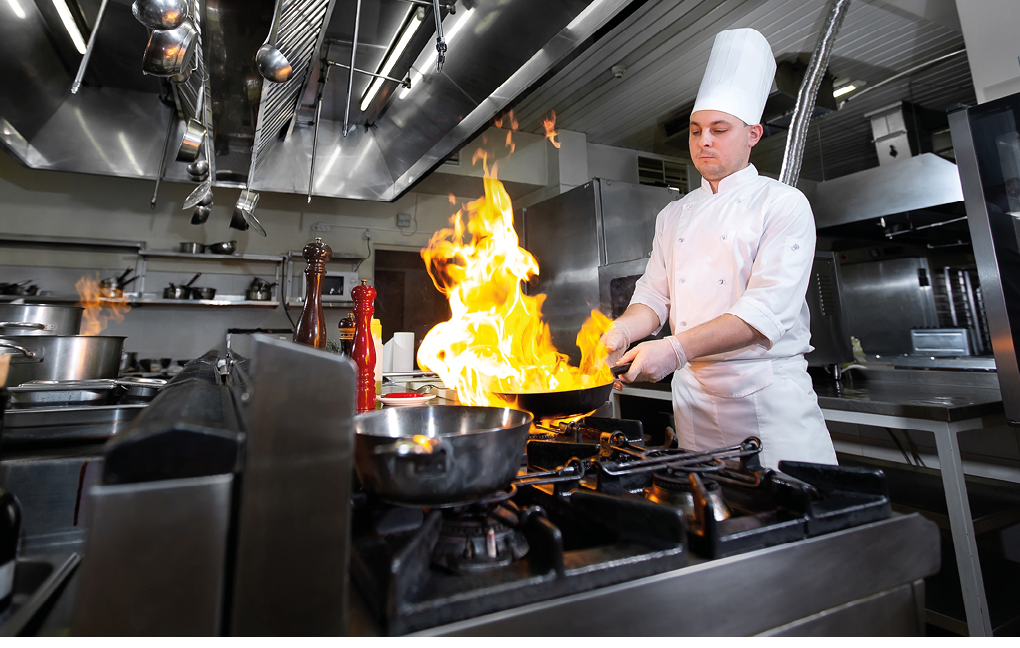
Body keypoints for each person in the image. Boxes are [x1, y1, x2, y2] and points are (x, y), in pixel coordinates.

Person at [601, 28, 837, 469]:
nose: (704, 140)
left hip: (766, 403)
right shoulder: (674, 215)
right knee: (711, 520)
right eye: (695, 131)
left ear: (753, 134)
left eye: (719, 129)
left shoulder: (782, 203)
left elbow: (763, 313)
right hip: (693, 404)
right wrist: (622, 333)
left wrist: (673, 350)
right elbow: (653, 297)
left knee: (790, 521)